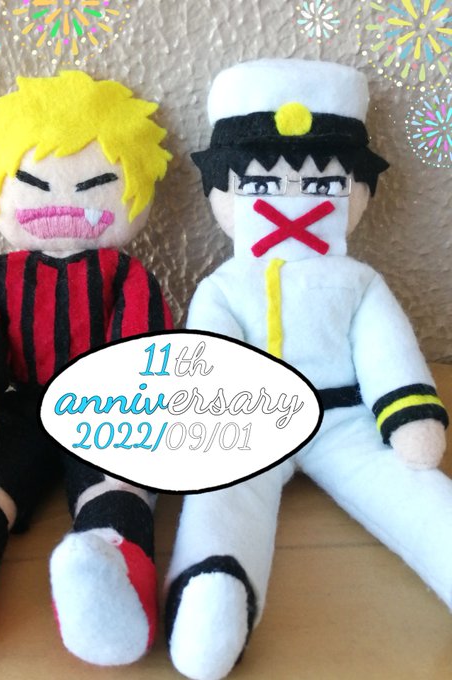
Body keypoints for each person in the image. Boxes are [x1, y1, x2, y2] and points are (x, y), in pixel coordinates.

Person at [165, 58, 451, 680]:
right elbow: (207, 360)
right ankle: (213, 588)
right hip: (251, 425)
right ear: (222, 192)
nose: (291, 199)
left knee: (414, 487)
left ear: (358, 189)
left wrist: (408, 414)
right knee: (221, 497)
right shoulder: (222, 287)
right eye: (262, 184)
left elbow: (387, 350)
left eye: (322, 183)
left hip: (346, 418)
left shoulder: (359, 282)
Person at [0, 71, 172, 667]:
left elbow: (144, 357)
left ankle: (109, 566)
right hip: (17, 406)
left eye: (96, 185)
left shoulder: (126, 274)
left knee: (117, 485)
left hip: (105, 405)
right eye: (34, 184)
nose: (62, 205)